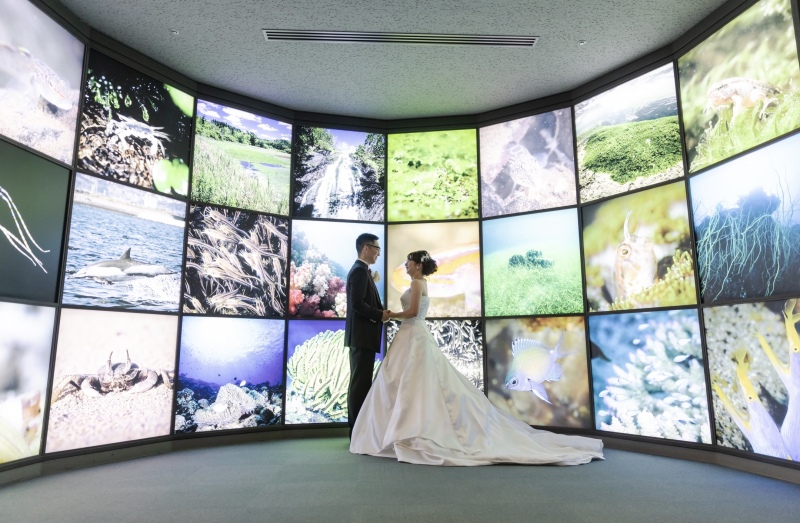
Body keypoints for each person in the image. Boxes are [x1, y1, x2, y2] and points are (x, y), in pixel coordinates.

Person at [350, 250, 604, 466]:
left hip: (412, 333)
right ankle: (404, 428)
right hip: (411, 335)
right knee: (408, 381)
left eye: (408, 262)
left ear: (417, 265)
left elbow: (414, 311)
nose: (405, 266)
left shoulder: (417, 284)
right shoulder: (419, 283)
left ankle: (405, 429)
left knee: (408, 381)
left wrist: (391, 314)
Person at [345, 233, 390, 439]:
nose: (378, 253)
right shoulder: (359, 272)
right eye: (376, 249)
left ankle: (359, 430)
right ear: (366, 248)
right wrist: (379, 315)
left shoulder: (363, 271)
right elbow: (357, 304)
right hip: (362, 336)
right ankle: (356, 432)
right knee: (359, 385)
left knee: (361, 383)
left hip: (363, 336)